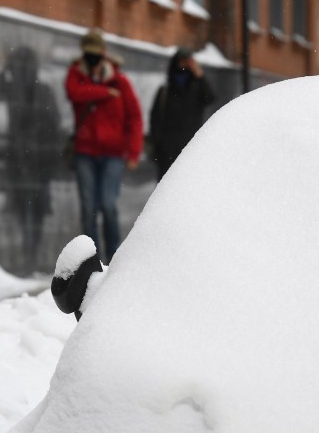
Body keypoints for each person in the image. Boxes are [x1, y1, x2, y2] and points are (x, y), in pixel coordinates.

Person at [65, 28, 143, 263]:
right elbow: (74, 93)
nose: (92, 58)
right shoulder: (76, 75)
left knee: (108, 205)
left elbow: (135, 117)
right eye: (88, 53)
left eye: (96, 54)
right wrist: (105, 93)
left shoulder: (120, 82)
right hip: (85, 152)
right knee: (88, 207)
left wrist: (134, 151)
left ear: (104, 53)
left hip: (113, 154)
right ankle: (91, 261)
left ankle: (113, 259)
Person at [0, 46, 61, 265]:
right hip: (22, 159)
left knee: (34, 209)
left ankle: (31, 252)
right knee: (25, 208)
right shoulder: (14, 90)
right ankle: (28, 252)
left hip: (36, 160)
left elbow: (53, 125)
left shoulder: (40, 91)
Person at [149, 47, 216, 181]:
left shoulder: (197, 88)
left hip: (190, 148)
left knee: (187, 188)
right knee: (166, 189)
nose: (185, 65)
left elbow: (211, 98)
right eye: (182, 61)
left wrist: (199, 75)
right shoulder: (165, 91)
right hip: (167, 150)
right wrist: (157, 144)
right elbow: (155, 118)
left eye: (188, 62)